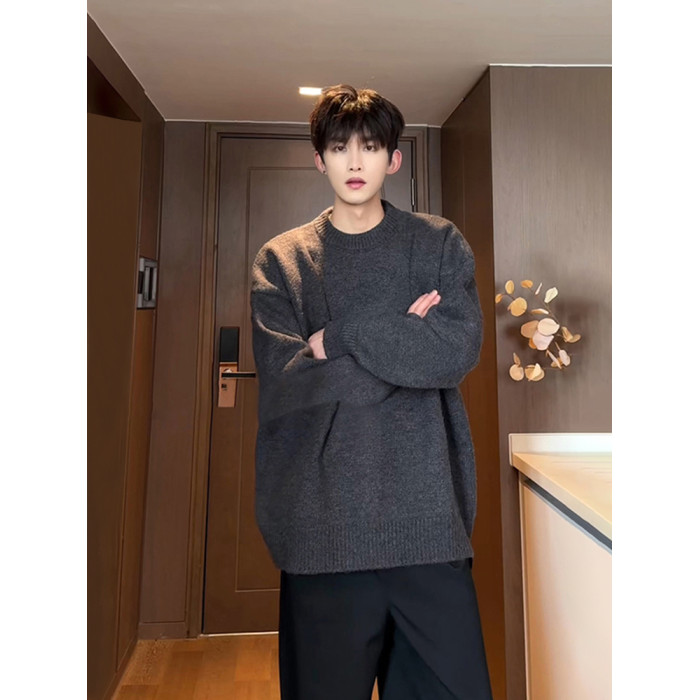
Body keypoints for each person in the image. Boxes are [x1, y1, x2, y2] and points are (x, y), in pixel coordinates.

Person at [250, 84, 493, 700]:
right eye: (339, 148)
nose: (355, 162)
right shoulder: (283, 261)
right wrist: (404, 340)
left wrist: (340, 337)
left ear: (394, 158)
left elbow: (455, 352)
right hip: (321, 534)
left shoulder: (437, 244)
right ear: (319, 160)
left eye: (370, 147)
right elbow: (289, 388)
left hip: (428, 529)